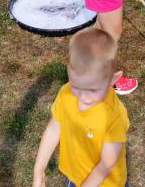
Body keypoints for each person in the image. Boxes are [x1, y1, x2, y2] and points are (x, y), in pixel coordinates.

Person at [32, 27, 130, 186]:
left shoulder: (114, 115)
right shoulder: (66, 94)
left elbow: (106, 164)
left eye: (92, 90)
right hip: (74, 176)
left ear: (113, 79)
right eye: (76, 86)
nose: (83, 98)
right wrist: (39, 171)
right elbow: (54, 128)